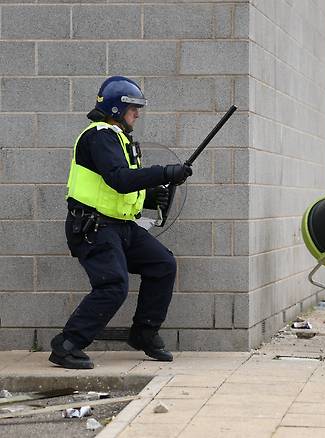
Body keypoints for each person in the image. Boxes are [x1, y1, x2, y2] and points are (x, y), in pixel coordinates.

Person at [49, 76, 193, 369]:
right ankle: (66, 345)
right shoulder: (99, 135)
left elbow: (123, 188)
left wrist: (153, 197)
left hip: (119, 226)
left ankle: (144, 333)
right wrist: (164, 173)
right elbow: (119, 180)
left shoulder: (118, 138)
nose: (137, 114)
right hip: (94, 227)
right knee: (114, 285)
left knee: (162, 264)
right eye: (133, 108)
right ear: (116, 109)